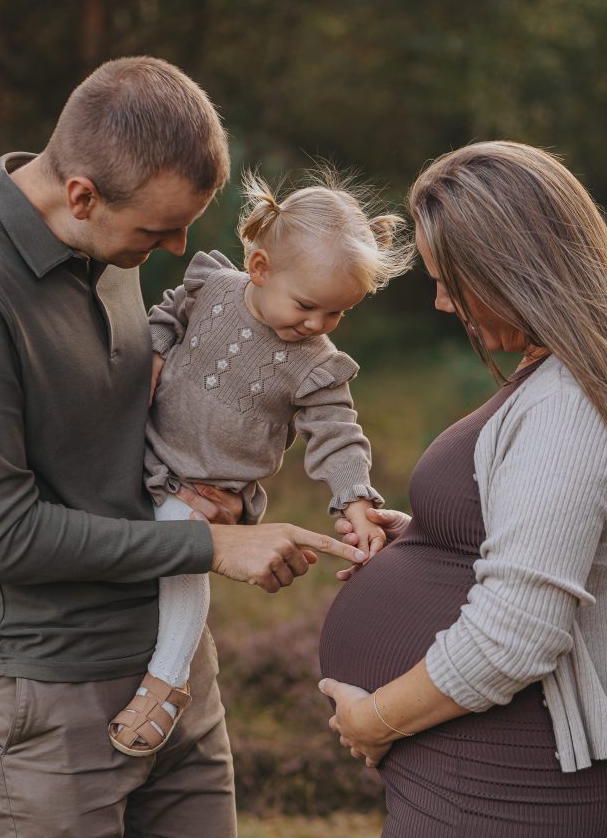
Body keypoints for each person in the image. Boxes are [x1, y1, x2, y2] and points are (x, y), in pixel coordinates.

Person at [0, 56, 366, 838]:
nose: (175, 253)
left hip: (177, 674)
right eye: (160, 231)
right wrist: (213, 553)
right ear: (83, 195)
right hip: (48, 695)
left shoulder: (116, 246)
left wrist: (219, 488)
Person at [317, 141, 607, 838]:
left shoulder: (567, 405)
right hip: (516, 784)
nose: (444, 304)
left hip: (500, 790)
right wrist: (420, 537)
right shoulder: (566, 377)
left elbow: (518, 631)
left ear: (514, 270)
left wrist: (372, 718)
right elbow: (548, 534)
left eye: (451, 281)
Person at [108, 169, 411, 755]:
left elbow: (338, 433)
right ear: (260, 269)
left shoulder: (316, 364)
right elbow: (167, 313)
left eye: (336, 315)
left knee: (183, 546)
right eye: (307, 306)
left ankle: (169, 681)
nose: (318, 326)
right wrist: (158, 350)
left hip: (205, 488)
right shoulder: (210, 285)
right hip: (143, 454)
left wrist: (354, 498)